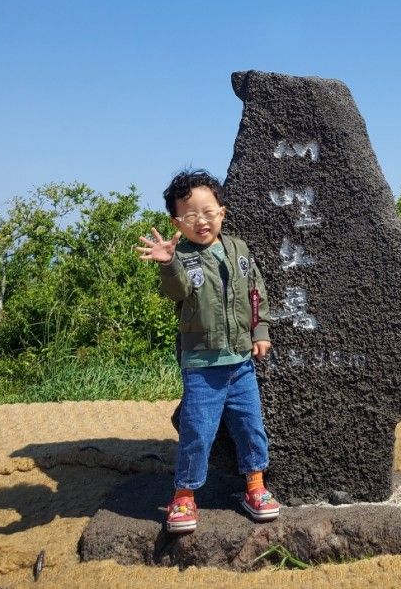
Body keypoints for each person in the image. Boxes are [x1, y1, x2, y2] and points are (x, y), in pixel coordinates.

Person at [137, 168, 279, 532]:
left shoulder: (239, 250)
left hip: (242, 362)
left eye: (208, 211)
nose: (201, 221)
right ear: (176, 222)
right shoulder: (180, 256)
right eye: (190, 215)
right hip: (202, 364)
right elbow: (177, 291)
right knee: (197, 430)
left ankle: (256, 487)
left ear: (222, 212)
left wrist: (260, 330)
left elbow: (256, 292)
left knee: (250, 427)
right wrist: (167, 262)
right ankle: (184, 495)